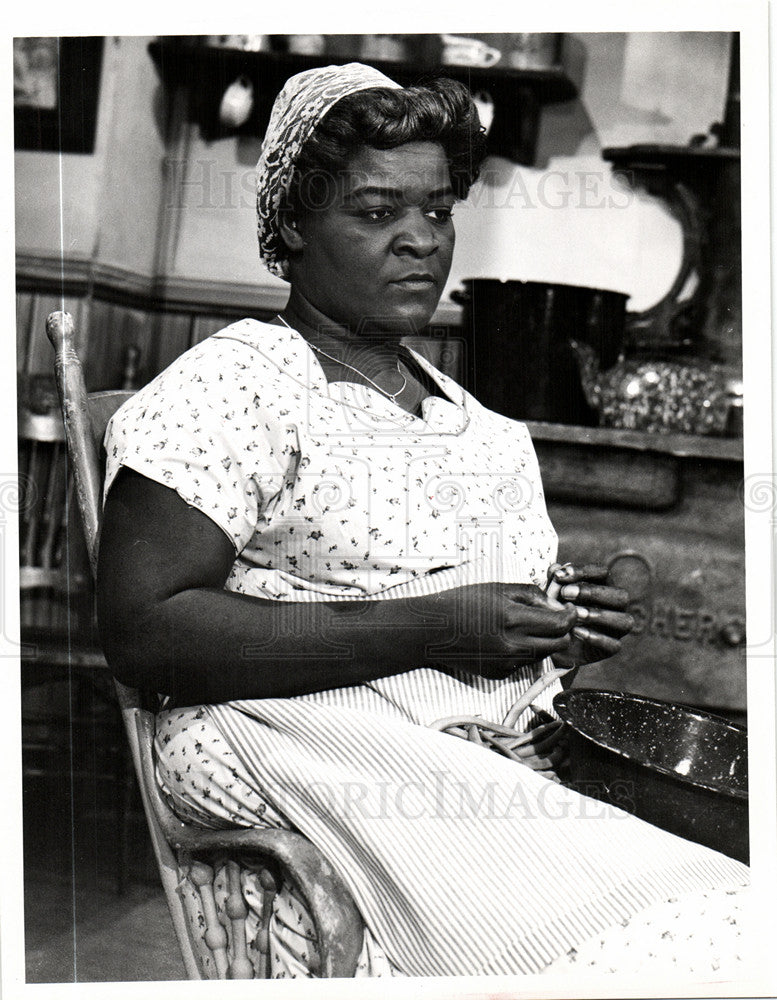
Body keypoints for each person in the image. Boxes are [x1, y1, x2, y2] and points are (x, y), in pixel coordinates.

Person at [97, 63, 749, 979]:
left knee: (725, 913)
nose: (419, 242)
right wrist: (440, 625)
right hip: (323, 746)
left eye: (436, 212)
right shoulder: (239, 385)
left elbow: (490, 625)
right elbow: (145, 631)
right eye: (375, 212)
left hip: (478, 757)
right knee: (673, 945)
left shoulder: (477, 427)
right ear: (291, 220)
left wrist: (560, 626)